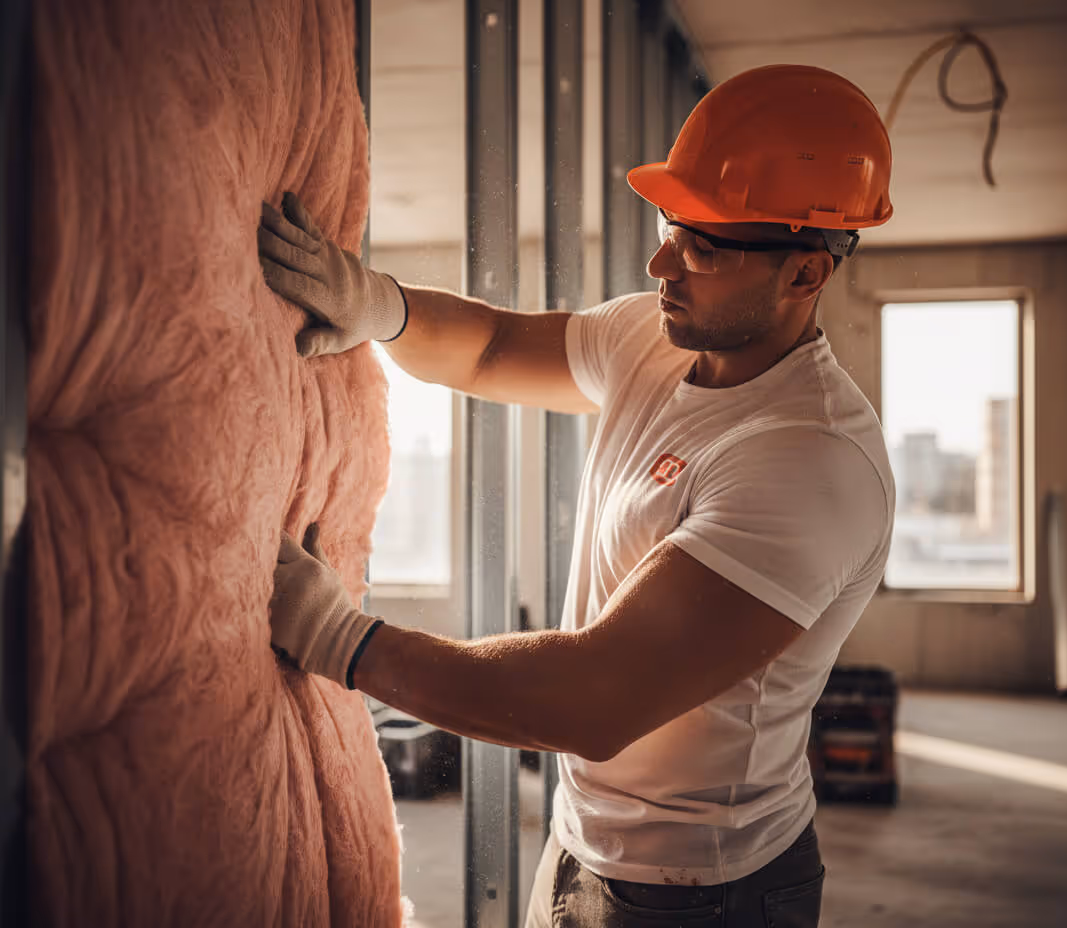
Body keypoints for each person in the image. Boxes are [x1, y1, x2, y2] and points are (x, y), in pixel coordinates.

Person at [259, 64, 895, 927]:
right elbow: (490, 348)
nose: (661, 260)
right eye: (670, 225)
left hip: (702, 894)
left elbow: (597, 698)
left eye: (702, 247)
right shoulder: (655, 337)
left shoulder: (808, 461)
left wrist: (340, 638)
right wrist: (381, 307)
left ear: (803, 276)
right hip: (581, 844)